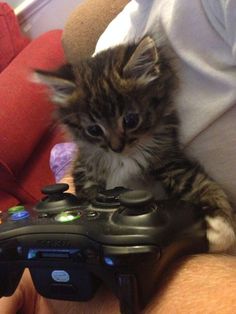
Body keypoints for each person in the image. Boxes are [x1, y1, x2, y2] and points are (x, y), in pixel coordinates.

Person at [1, 0, 236, 312]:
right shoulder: (112, 38)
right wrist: (42, 258)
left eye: (128, 123)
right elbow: (83, 170)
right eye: (99, 132)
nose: (116, 144)